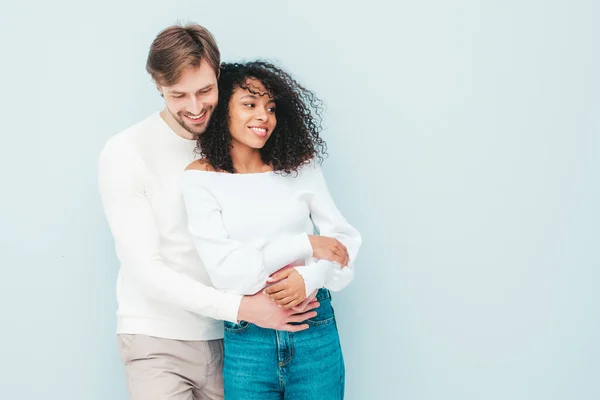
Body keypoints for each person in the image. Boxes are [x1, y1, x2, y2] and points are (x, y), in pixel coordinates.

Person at [98, 24, 320, 400]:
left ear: (219, 76)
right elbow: (145, 268)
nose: (195, 107)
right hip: (158, 339)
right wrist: (244, 308)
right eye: (178, 95)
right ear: (158, 87)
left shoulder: (241, 139)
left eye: (204, 90)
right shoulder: (126, 152)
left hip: (234, 339)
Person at [181, 61, 362, 399]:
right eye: (250, 104)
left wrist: (310, 278)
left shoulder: (300, 167)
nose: (263, 115)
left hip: (314, 330)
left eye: (271, 107)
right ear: (223, 111)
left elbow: (343, 243)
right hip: (248, 342)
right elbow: (228, 276)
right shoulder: (200, 179)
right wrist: (304, 245)